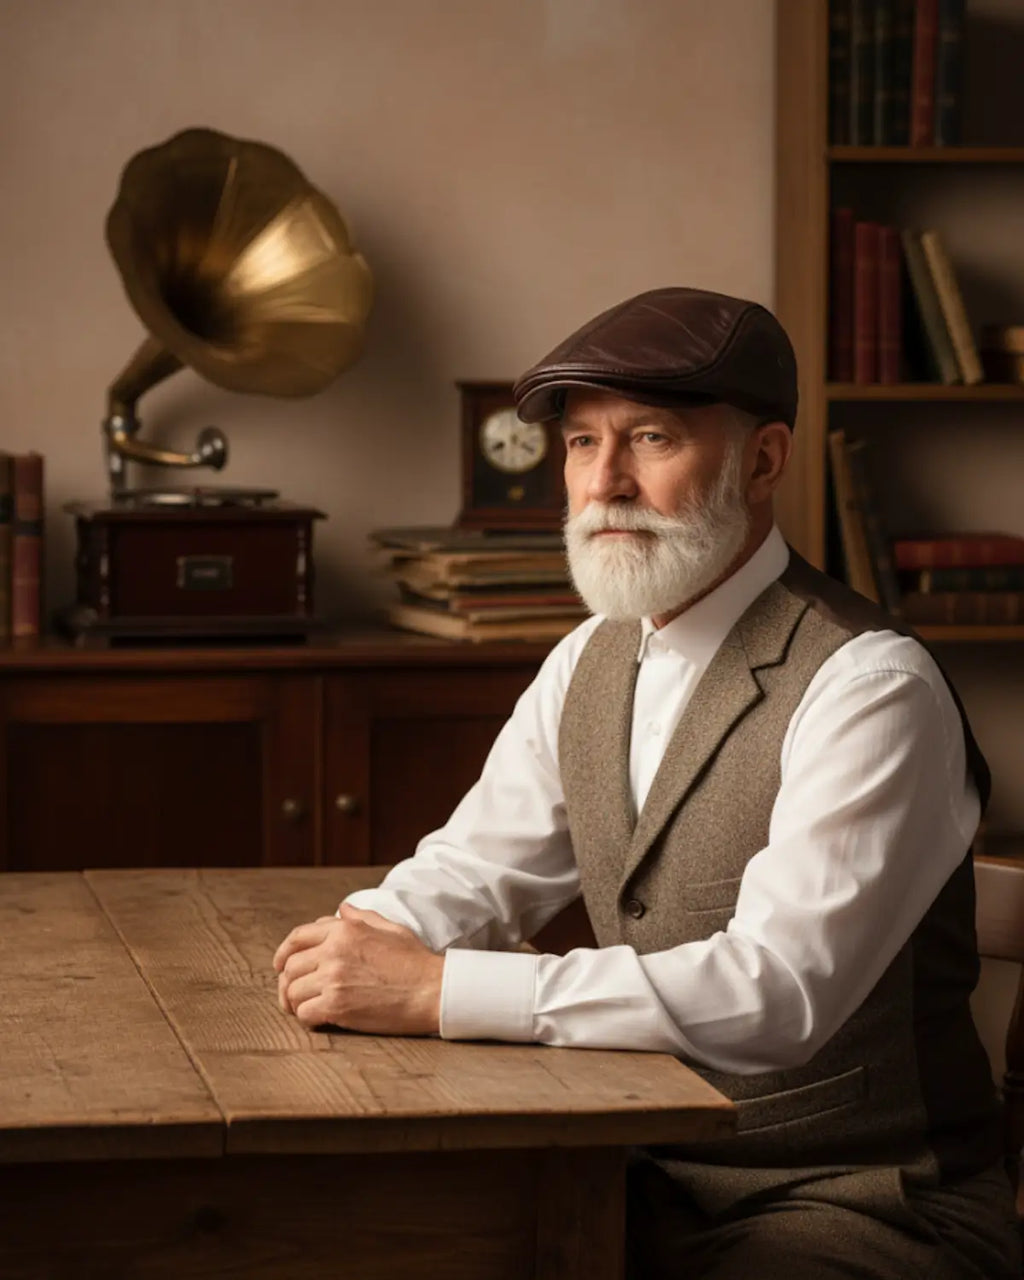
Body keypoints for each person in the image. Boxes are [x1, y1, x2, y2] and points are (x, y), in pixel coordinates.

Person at [273, 286, 1021, 1279]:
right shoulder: (589, 656)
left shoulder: (871, 686)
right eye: (582, 443)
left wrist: (441, 987)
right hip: (620, 1172)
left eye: (651, 438)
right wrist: (360, 935)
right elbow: (474, 868)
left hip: (859, 1205)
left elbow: (778, 991)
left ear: (763, 459)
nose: (604, 481)